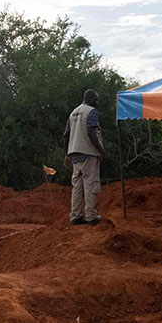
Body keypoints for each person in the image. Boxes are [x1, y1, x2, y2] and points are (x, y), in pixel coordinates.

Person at [63, 89, 103, 225]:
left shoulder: (73, 112)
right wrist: (100, 150)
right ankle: (91, 216)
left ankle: (75, 216)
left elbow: (66, 135)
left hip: (74, 153)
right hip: (88, 153)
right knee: (89, 184)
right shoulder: (91, 112)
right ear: (91, 99)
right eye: (96, 100)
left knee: (77, 186)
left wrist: (67, 153)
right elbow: (91, 132)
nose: (97, 102)